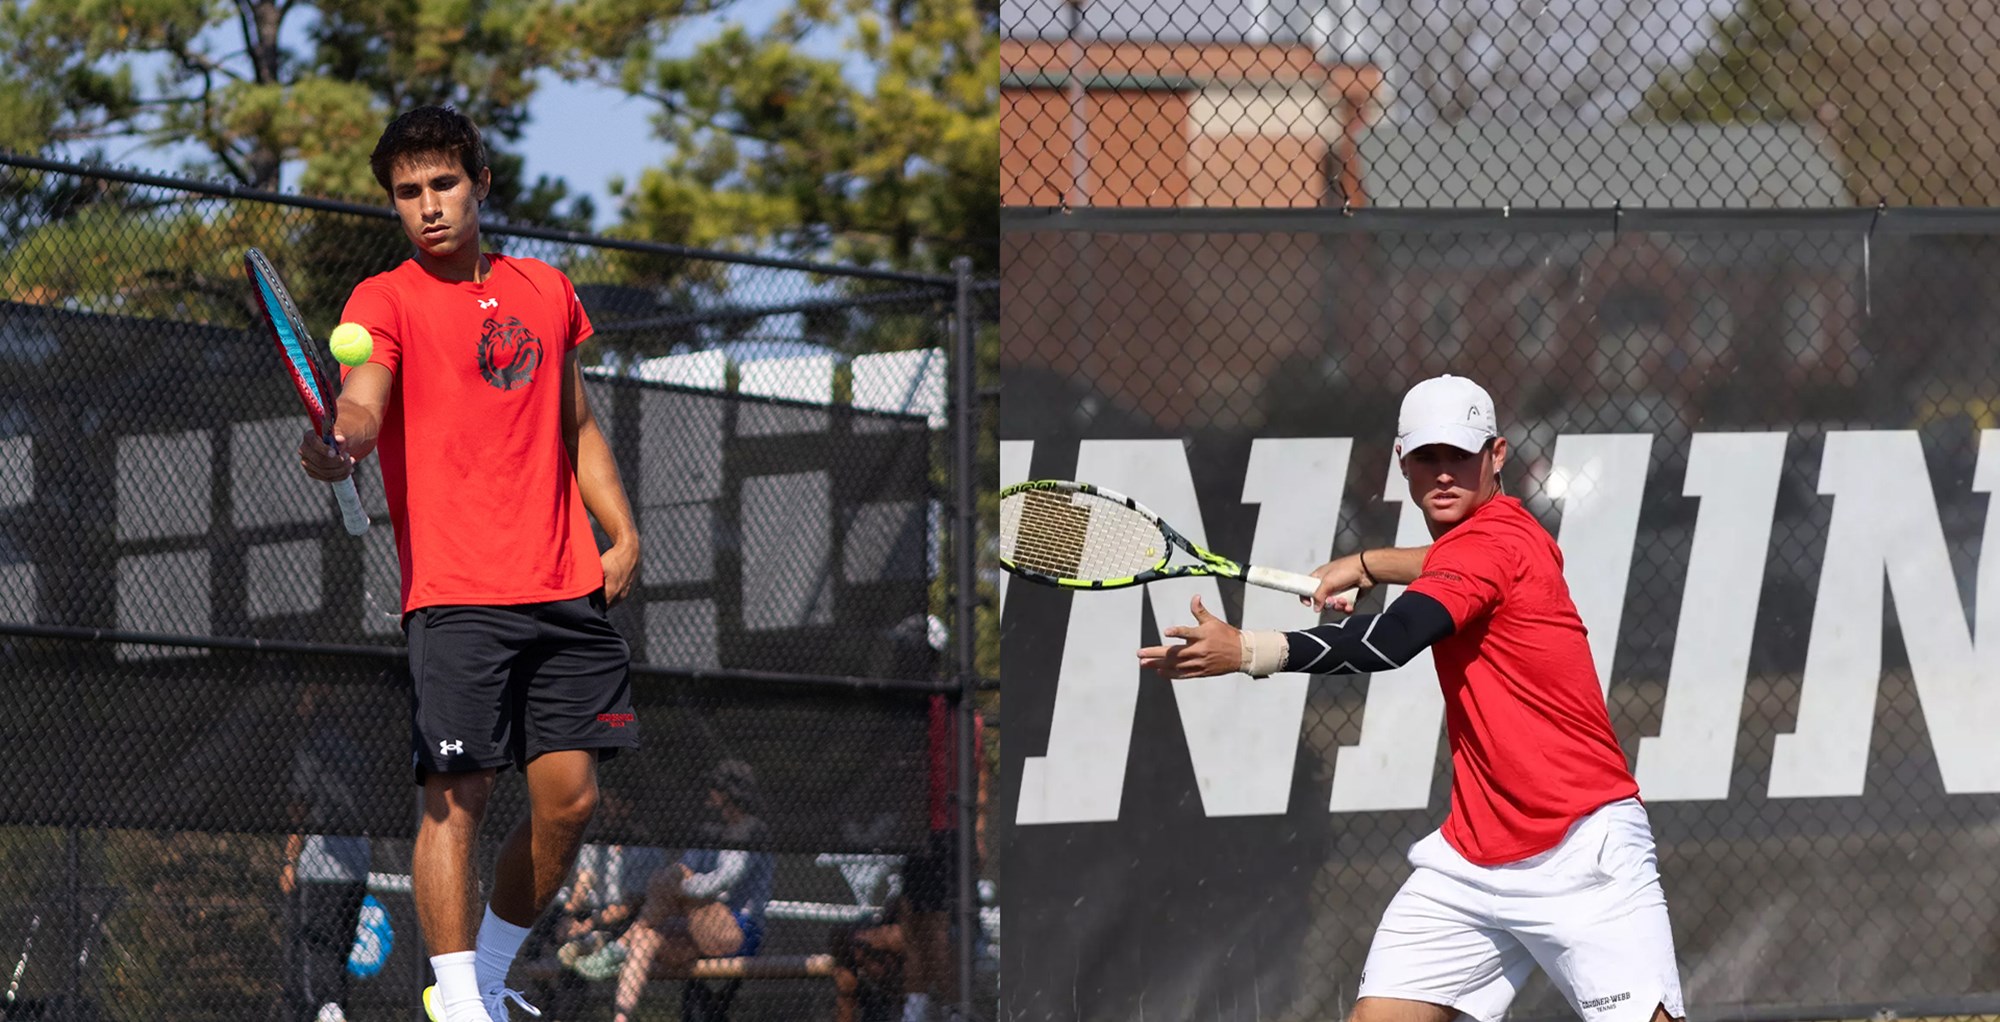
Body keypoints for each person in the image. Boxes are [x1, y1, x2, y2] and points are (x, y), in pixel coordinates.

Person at [1137, 374, 1685, 1022]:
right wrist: (1367, 563)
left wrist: (1249, 650)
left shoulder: (1493, 546)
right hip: (1470, 863)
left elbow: (1395, 639)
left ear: (1498, 456)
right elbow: (1445, 559)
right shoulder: (1515, 534)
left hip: (1582, 850)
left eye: (1462, 455)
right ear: (1403, 462)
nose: (1445, 473)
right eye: (1429, 457)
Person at [297, 104, 642, 1022]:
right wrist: (342, 439)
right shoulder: (383, 301)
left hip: (566, 586)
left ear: (480, 184)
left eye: (443, 184)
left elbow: (576, 423)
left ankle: (487, 975)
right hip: (457, 595)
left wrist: (623, 530)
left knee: (569, 804)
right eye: (407, 194)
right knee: (459, 796)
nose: (428, 207)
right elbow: (362, 403)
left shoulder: (547, 289)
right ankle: (455, 1000)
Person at [611, 760, 777, 1022]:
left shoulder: (750, 830)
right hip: (696, 929)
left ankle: (620, 943)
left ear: (730, 793)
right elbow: (682, 869)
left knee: (677, 878)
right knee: (645, 936)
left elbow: (723, 881)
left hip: (738, 930)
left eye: (715, 788)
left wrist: (678, 888)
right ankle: (620, 1019)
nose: (709, 793)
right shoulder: (710, 830)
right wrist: (671, 884)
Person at [283, 684, 372, 1022]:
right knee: (340, 943)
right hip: (358, 858)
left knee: (316, 942)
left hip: (324, 859)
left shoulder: (312, 750)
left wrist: (290, 858)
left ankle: (325, 1007)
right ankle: (334, 1006)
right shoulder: (355, 751)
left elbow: (300, 804)